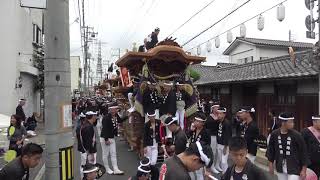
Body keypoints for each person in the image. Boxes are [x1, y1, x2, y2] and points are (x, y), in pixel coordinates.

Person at [266, 112, 308, 180]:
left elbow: (303, 152)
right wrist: (270, 165)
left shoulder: (297, 135)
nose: (293, 124)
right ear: (283, 123)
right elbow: (271, 150)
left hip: (294, 166)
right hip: (280, 165)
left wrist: (304, 170)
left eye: (292, 122)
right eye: (290, 122)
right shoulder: (275, 134)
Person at [100, 103, 125, 175]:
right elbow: (104, 129)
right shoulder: (106, 118)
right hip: (105, 138)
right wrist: (106, 139)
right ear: (110, 109)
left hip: (112, 137)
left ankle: (116, 168)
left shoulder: (116, 116)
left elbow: (120, 120)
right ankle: (107, 168)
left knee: (113, 153)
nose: (115, 110)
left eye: (116, 109)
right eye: (114, 109)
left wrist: (128, 116)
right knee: (105, 154)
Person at [188, 112, 211, 180]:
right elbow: (188, 137)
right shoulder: (194, 129)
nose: (196, 123)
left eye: (199, 121)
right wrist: (190, 130)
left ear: (203, 123)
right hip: (192, 153)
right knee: (190, 171)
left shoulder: (206, 132)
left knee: (199, 172)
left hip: (200, 154)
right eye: (196, 121)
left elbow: (207, 146)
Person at [214, 107, 232, 174]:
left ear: (224, 114)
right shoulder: (218, 122)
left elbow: (228, 135)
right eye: (218, 113)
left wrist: (226, 146)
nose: (219, 115)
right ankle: (224, 174)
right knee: (221, 160)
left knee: (224, 161)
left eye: (220, 114)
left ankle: (226, 174)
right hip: (219, 143)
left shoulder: (227, 123)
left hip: (224, 145)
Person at [79, 111, 98, 176]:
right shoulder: (88, 127)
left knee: (85, 166)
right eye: (95, 116)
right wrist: (91, 153)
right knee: (88, 167)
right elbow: (89, 142)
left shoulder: (86, 125)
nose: (96, 117)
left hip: (85, 151)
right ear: (92, 117)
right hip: (88, 151)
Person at [205, 102, 219, 173]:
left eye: (218, 107)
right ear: (213, 108)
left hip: (218, 136)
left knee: (217, 152)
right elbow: (207, 128)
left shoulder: (219, 116)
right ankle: (211, 166)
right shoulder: (209, 118)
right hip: (212, 136)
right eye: (216, 107)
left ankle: (216, 165)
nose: (217, 109)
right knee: (212, 152)